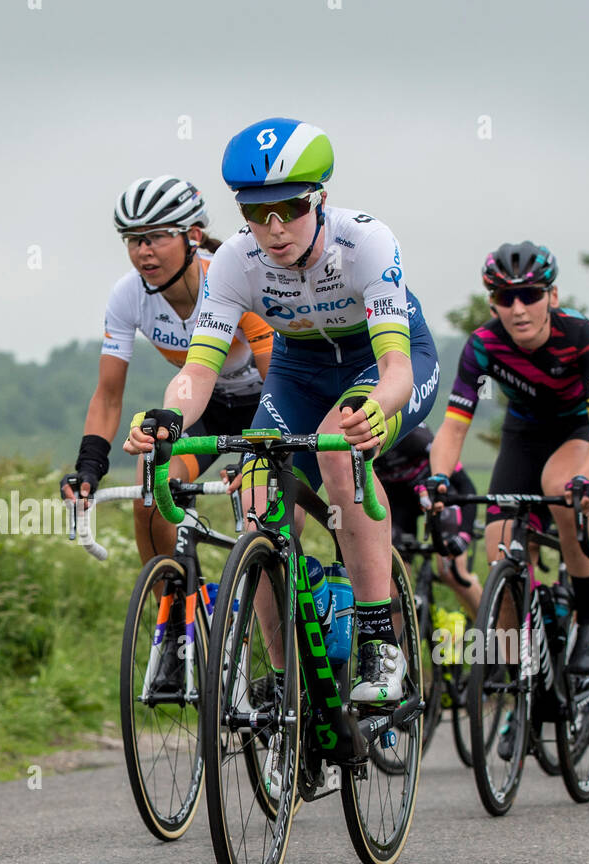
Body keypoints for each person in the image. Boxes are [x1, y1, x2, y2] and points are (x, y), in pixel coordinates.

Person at [125, 119, 440, 705]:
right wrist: (167, 420)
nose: (273, 229)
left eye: (290, 208)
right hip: (300, 369)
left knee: (341, 454)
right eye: (255, 212)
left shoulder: (365, 241)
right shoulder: (236, 263)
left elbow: (397, 367)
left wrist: (373, 411)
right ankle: (282, 679)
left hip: (383, 361)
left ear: (319, 199)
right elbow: (198, 371)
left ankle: (379, 642)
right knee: (257, 495)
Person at [426, 241, 589, 674]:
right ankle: (519, 689)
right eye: (505, 297)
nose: (518, 308)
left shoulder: (582, 335)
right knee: (500, 549)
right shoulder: (483, 344)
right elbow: (455, 425)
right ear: (493, 303)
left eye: (530, 295)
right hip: (525, 435)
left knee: (562, 488)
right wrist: (438, 480)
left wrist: (588, 479)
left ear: (552, 297)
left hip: (581, 429)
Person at [62, 176, 272, 562]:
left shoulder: (231, 282)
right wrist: (89, 467)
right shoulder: (128, 296)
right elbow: (108, 396)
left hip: (266, 403)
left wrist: (254, 455)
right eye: (132, 240)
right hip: (206, 408)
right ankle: (173, 615)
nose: (143, 252)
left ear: (192, 235)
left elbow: (276, 376)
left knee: (266, 506)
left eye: (156, 236)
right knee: (151, 487)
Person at [374, 423, 482, 621]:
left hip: (439, 497)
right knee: (392, 589)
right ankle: (398, 650)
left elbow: (465, 485)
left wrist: (464, 534)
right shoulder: (362, 445)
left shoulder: (415, 437)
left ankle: (492, 632)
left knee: (451, 571)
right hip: (399, 505)